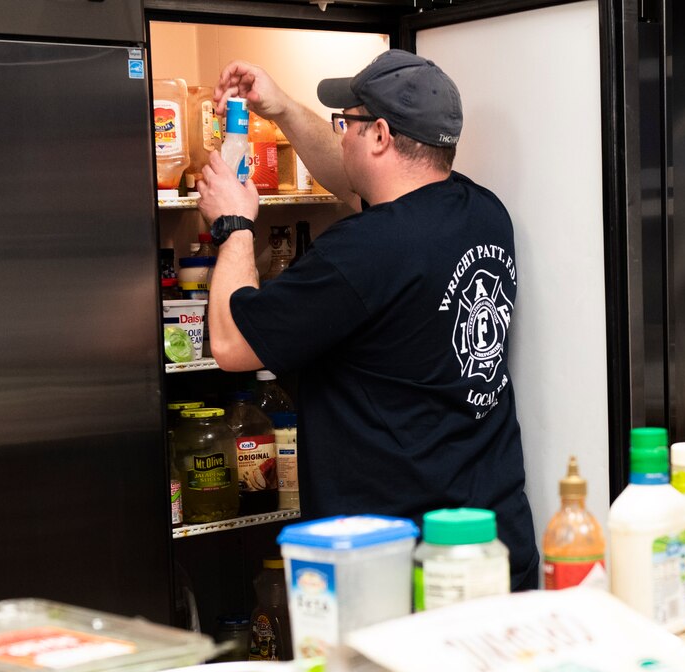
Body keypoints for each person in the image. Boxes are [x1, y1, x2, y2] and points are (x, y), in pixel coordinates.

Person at [195, 50, 539, 591]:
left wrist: (234, 224)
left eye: (346, 124)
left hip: (394, 570)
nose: (341, 137)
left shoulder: (358, 254)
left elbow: (233, 343)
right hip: (494, 548)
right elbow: (362, 185)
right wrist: (282, 108)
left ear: (379, 134)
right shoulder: (483, 211)